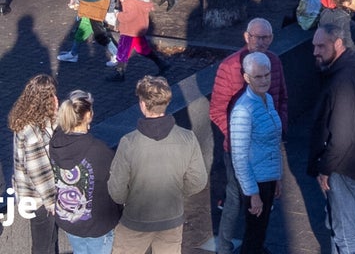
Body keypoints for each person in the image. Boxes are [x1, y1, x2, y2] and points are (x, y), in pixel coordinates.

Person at [209, 18, 288, 254]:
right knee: (236, 197)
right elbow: (217, 110)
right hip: (238, 147)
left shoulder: (274, 62)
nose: (262, 42)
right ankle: (225, 246)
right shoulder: (229, 66)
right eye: (257, 37)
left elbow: (282, 99)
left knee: (262, 203)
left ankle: (255, 245)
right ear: (246, 37)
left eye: (266, 37)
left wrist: (278, 128)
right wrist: (239, 137)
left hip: (267, 147)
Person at [108, 76, 207, 252]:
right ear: (166, 103)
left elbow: (117, 190)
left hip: (136, 219)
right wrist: (176, 193)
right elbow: (198, 180)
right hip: (172, 219)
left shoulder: (129, 142)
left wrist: (128, 200)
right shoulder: (187, 138)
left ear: (142, 105)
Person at [308, 23, 355, 254]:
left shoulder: (343, 79)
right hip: (349, 161)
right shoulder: (352, 69)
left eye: (321, 46)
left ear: (338, 43)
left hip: (341, 165)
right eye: (314, 46)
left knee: (345, 230)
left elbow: (342, 134)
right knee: (338, 224)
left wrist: (325, 167)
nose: (315, 51)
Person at [50, 90, 121, 254]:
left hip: (69, 219)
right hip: (97, 224)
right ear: (88, 115)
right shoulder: (99, 150)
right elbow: (115, 184)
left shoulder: (55, 144)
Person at [229, 52, 283, 254]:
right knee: (253, 234)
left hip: (268, 178)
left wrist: (276, 177)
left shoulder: (267, 99)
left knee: (260, 231)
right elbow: (239, 158)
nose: (264, 80)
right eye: (258, 77)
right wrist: (253, 194)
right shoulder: (243, 110)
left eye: (267, 75)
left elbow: (273, 144)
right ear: (246, 78)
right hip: (255, 181)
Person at [8, 74, 59, 254]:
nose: (56, 98)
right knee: (43, 245)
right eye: (53, 95)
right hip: (39, 199)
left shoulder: (27, 118)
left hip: (32, 194)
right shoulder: (32, 132)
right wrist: (51, 201)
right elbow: (39, 171)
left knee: (48, 239)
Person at [107, 0, 168, 82]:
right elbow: (137, 9)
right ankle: (161, 64)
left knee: (122, 51)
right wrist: (125, 1)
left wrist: (118, 14)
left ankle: (120, 73)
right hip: (139, 29)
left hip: (129, 30)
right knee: (142, 49)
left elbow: (128, 16)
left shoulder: (131, 1)